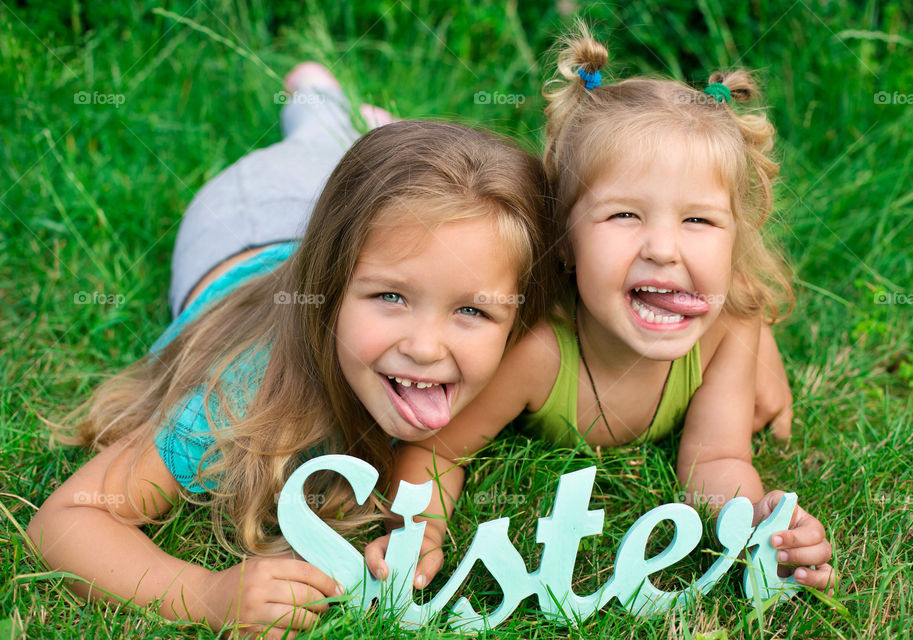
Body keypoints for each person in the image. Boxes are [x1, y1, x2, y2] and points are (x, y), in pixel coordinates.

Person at [26, 63, 553, 639]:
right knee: (317, 137)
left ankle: (366, 134)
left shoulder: (514, 351)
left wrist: (417, 526)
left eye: (471, 311)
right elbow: (66, 519)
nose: (426, 347)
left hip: (344, 221)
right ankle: (317, 95)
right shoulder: (240, 393)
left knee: (376, 178)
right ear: (325, 294)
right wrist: (206, 595)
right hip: (245, 215)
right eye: (390, 297)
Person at [365, 25, 834, 599]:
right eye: (624, 216)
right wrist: (421, 530)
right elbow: (438, 449)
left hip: (745, 321)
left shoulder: (727, 333)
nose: (663, 248)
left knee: (759, 350)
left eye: (699, 221)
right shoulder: (538, 349)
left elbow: (717, 456)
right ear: (564, 238)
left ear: (736, 239)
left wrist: (759, 527)